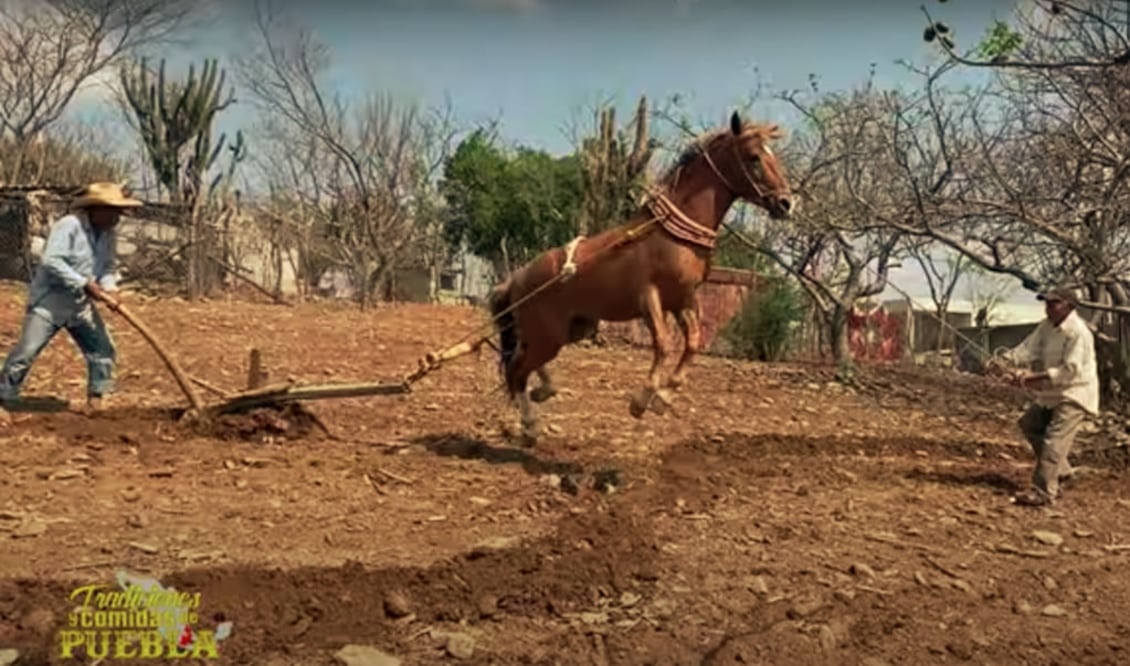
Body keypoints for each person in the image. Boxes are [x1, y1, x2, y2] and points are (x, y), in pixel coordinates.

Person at [0, 182, 142, 421]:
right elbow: (51, 261)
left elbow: (107, 268)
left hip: (80, 304)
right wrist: (84, 283)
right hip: (50, 301)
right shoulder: (70, 226)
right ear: (96, 209)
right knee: (27, 351)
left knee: (102, 348)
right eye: (113, 211)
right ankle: (4, 398)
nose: (118, 217)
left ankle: (96, 399)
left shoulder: (108, 235)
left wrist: (111, 290)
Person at [991, 286, 1100, 507]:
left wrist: (1029, 379)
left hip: (1074, 393)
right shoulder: (1046, 326)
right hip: (1052, 393)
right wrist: (1005, 362)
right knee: (1030, 425)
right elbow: (1028, 349)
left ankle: (1043, 492)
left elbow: (1070, 371)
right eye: (1046, 303)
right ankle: (1062, 472)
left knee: (1053, 442)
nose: (1048, 308)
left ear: (1069, 306)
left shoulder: (1078, 332)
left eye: (1054, 303)